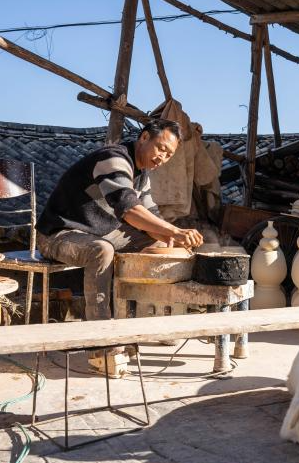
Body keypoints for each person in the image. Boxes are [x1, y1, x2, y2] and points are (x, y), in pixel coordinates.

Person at [36, 118, 204, 372]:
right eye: (161, 148)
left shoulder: (142, 175)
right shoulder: (113, 159)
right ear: (144, 138)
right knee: (101, 251)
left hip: (100, 232)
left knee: (156, 243)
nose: (162, 158)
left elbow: (151, 217)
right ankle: (101, 345)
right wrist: (175, 231)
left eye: (169, 155)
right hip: (58, 235)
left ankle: (142, 322)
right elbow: (129, 210)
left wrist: (172, 238)